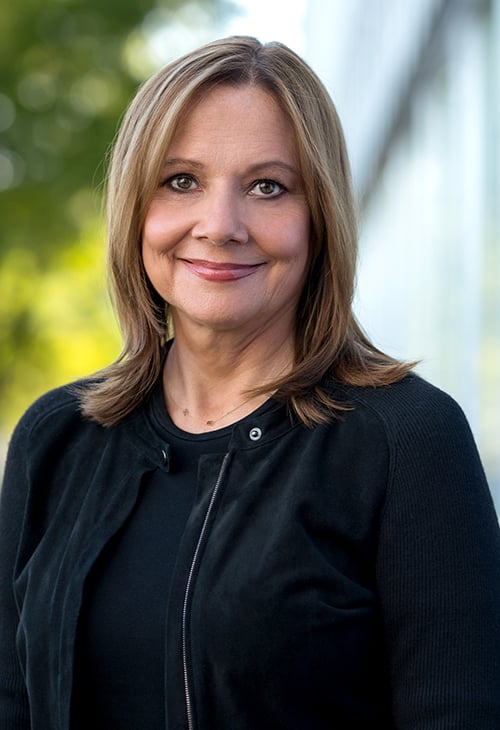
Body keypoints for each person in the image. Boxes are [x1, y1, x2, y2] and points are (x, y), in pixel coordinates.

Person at [1, 35, 499, 730]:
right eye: (182, 181)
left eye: (268, 187)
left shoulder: (406, 442)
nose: (221, 225)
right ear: (135, 209)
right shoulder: (56, 438)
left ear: (318, 217)